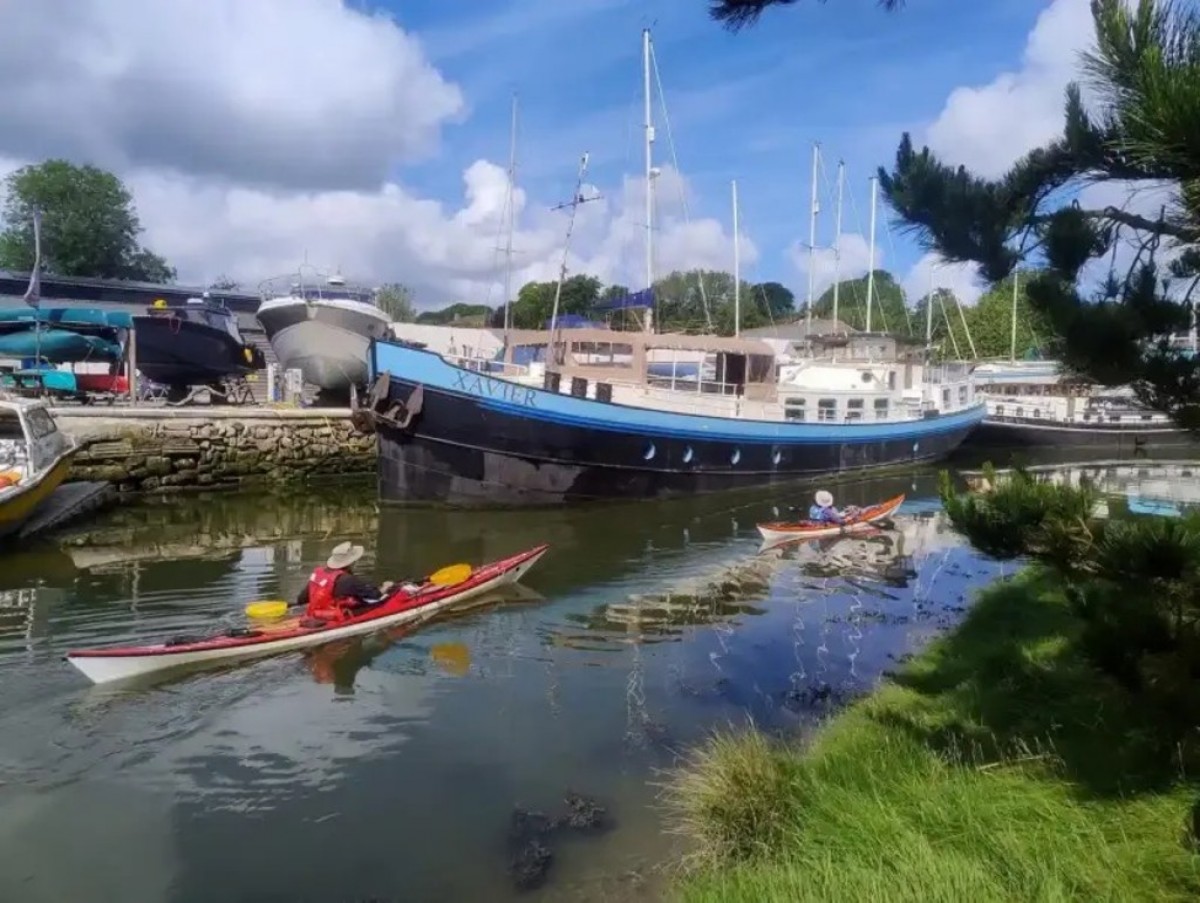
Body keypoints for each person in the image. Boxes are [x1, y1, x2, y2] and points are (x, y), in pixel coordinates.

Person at [296, 542, 393, 621]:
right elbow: (375, 595)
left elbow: (301, 599)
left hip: (314, 613)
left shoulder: (318, 574)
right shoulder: (349, 580)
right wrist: (385, 587)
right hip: (334, 617)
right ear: (351, 562)